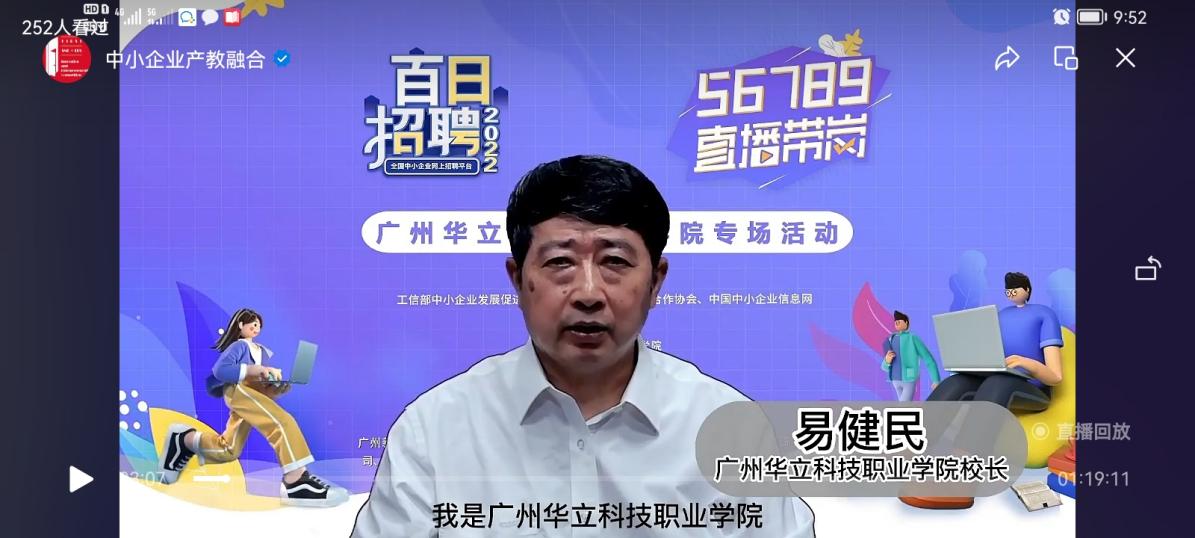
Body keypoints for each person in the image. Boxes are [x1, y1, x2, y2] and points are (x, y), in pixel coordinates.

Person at [352, 155, 815, 536]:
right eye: (560, 262)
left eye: (615, 261)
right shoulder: (434, 429)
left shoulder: (729, 431)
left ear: (656, 281)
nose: (588, 293)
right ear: (517, 279)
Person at [900, 272, 1064, 510]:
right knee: (956, 383)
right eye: (1008, 290)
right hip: (997, 377)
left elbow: (1056, 377)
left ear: (1027, 289)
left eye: (1016, 289)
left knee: (998, 384)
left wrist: (1024, 362)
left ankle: (963, 477)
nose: (1011, 293)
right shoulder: (1000, 316)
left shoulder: (1044, 315)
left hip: (1032, 388)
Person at [155, 308, 349, 507]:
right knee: (281, 422)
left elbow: (253, 378)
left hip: (248, 392)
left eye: (258, 325)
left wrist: (271, 387)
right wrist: (253, 369)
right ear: (240, 325)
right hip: (238, 390)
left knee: (228, 449)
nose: (256, 328)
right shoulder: (239, 345)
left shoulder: (257, 349)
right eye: (253, 324)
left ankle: (184, 440)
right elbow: (221, 370)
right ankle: (296, 480)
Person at [881, 310, 940, 401]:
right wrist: (887, 361)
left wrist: (935, 379)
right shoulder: (890, 339)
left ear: (906, 323)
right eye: (895, 322)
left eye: (899, 321)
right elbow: (884, 367)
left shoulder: (912, 338)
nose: (897, 323)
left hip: (908, 379)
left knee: (903, 407)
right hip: (894, 380)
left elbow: (928, 358)